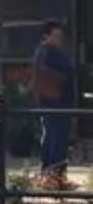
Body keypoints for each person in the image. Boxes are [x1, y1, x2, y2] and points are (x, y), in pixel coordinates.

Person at [35, 20, 76, 185]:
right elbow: (65, 73)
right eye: (56, 35)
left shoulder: (43, 52)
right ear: (46, 36)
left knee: (51, 136)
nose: (60, 38)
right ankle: (55, 175)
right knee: (56, 138)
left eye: (61, 35)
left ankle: (49, 172)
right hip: (56, 102)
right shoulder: (50, 53)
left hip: (50, 101)